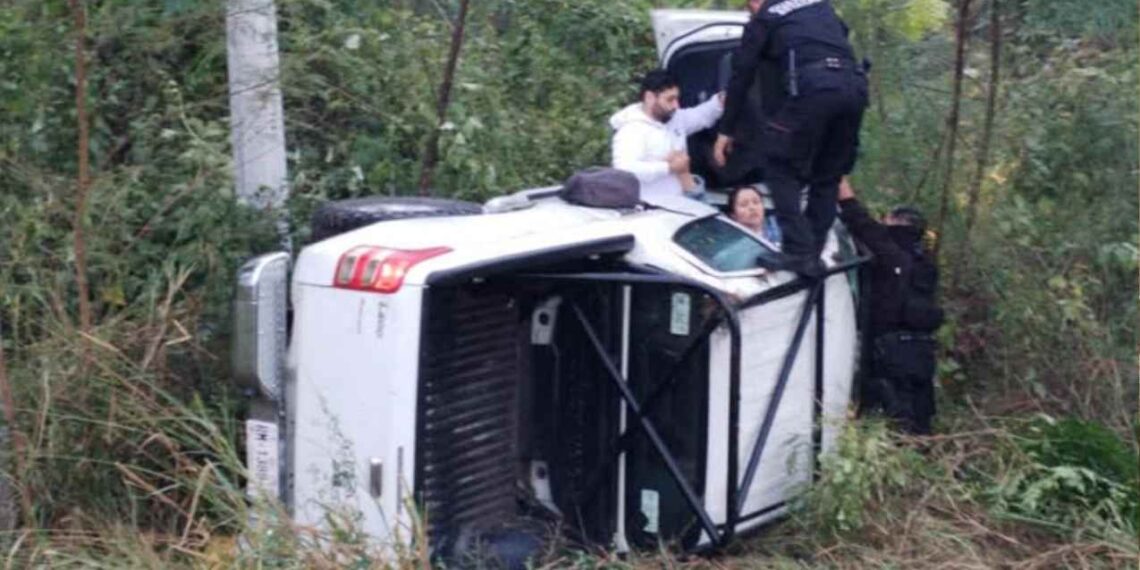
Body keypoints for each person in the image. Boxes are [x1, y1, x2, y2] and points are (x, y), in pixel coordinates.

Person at [713, 0, 868, 276]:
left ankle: (798, 252)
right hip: (854, 88)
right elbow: (840, 34)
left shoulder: (766, 17)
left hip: (814, 90)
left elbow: (742, 75)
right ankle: (813, 253)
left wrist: (726, 130)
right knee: (827, 175)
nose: (750, 9)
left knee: (776, 162)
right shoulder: (819, 5)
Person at [837, 179, 943, 435]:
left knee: (885, 413)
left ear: (895, 222)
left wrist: (837, 174)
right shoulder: (925, 265)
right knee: (918, 416)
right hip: (920, 353)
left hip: (885, 353)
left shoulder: (888, 249)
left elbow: (855, 214)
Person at [610, 69, 724, 201]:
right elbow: (625, 169)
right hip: (653, 211)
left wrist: (720, 101)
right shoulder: (631, 130)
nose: (676, 105)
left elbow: (701, 116)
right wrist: (669, 167)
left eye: (677, 98)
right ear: (650, 98)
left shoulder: (675, 118)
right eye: (670, 99)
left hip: (684, 203)